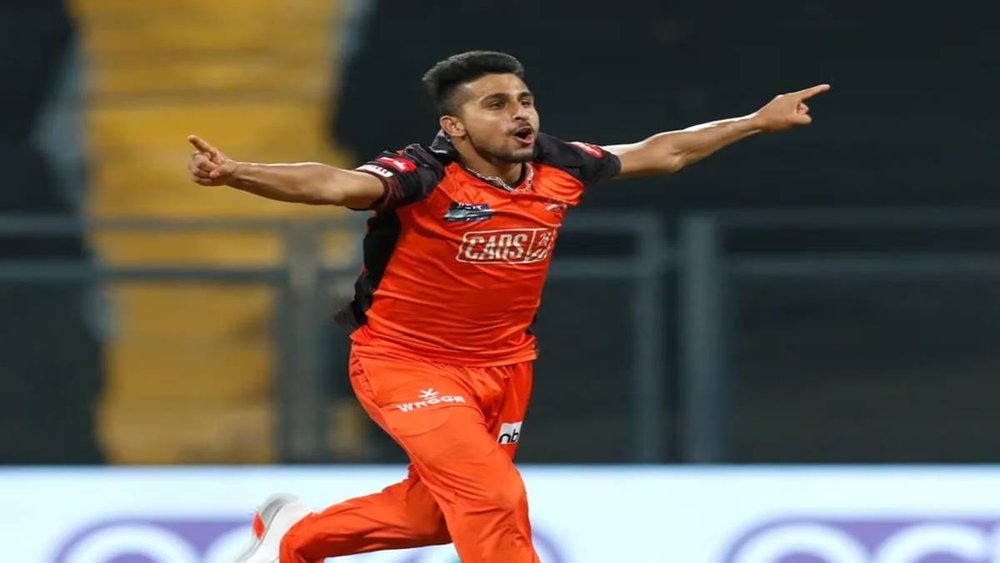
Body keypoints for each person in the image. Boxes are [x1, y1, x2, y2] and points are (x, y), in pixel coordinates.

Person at [187, 51, 829, 563]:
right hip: (406, 364)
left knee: (436, 516)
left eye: (525, 100)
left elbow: (665, 151)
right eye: (496, 105)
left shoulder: (559, 165)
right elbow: (333, 183)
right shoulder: (421, 175)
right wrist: (238, 173)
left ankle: (294, 540)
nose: (520, 115)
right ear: (455, 126)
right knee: (492, 496)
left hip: (504, 367)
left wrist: (755, 121)